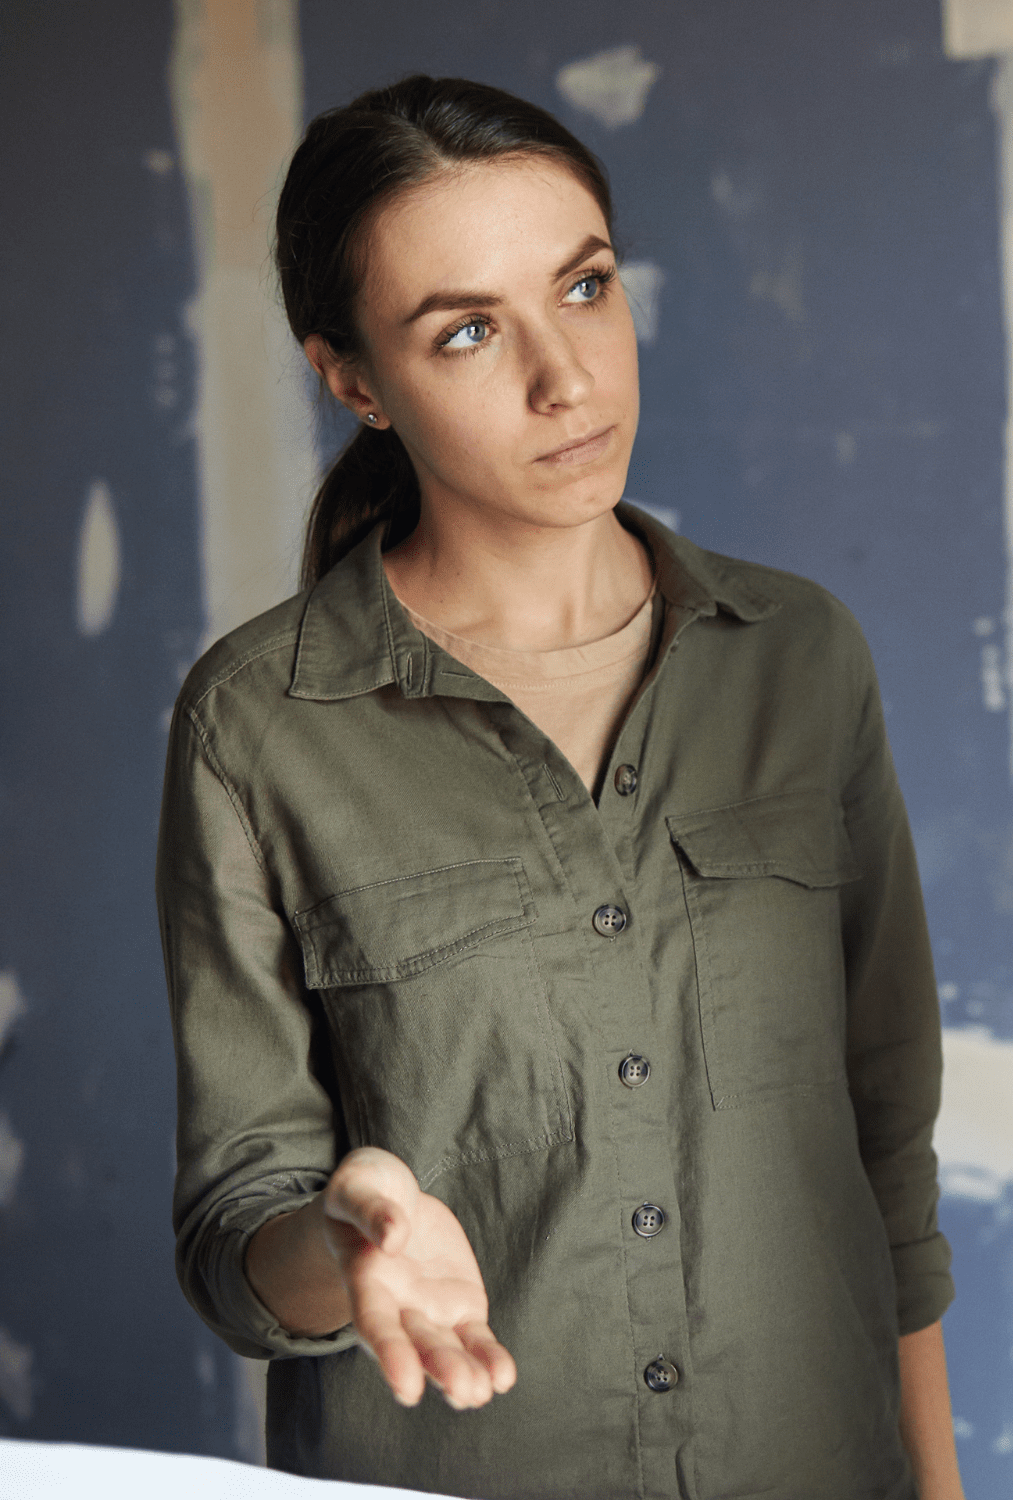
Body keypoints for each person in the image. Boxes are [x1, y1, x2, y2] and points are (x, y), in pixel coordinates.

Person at [159, 76, 964, 1500]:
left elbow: (885, 1140)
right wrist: (348, 1245)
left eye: (584, 287)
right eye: (466, 331)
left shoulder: (799, 657)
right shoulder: (256, 727)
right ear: (353, 380)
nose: (565, 377)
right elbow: (240, 1239)